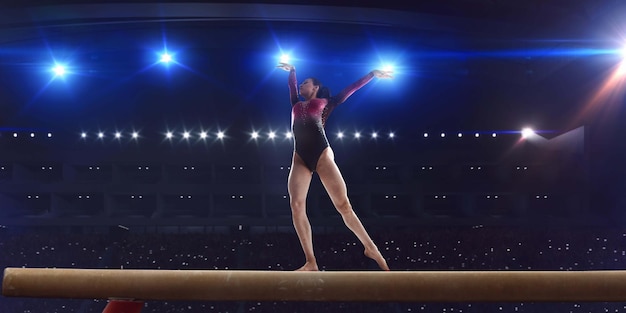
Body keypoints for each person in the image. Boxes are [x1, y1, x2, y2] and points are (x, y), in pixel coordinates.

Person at [276, 62, 392, 271]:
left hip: (321, 153)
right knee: (296, 206)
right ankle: (311, 261)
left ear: (316, 88)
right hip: (299, 156)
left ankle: (370, 247)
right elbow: (291, 87)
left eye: (306, 83)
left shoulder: (327, 102)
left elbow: (351, 88)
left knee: (343, 205)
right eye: (301, 83)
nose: (301, 85)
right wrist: (293, 71)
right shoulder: (295, 102)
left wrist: (372, 74)